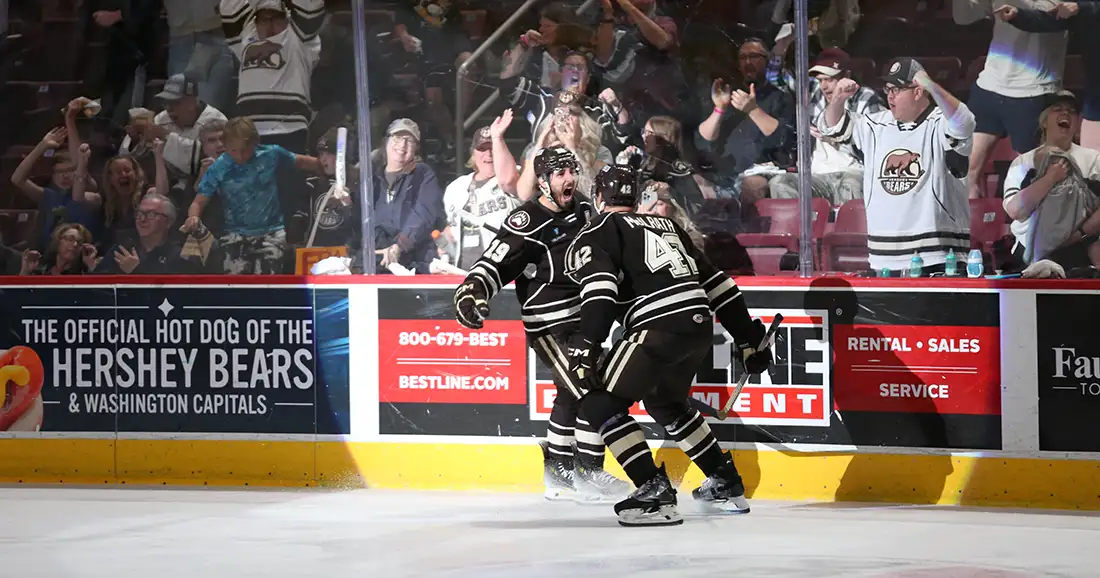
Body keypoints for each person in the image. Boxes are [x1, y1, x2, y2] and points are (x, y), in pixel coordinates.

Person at [562, 164, 773, 526]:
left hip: (655, 325)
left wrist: (586, 344)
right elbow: (720, 286)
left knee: (596, 399)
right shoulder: (669, 226)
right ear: (635, 197)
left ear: (598, 198)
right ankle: (724, 482)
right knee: (667, 404)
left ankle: (653, 491)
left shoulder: (599, 227)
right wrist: (749, 339)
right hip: (697, 326)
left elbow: (600, 290)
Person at [452, 146, 631, 503]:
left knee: (571, 392)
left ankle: (558, 471)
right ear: (545, 181)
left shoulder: (583, 207)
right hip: (549, 323)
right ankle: (588, 470)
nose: (569, 179)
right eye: (560, 173)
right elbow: (495, 262)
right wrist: (472, 290)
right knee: (587, 385)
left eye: (571, 171)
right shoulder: (527, 219)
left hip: (585, 317)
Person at [822, 57, 975, 275]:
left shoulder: (940, 122)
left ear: (918, 91)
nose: (890, 96)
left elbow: (965, 121)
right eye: (888, 89)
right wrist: (837, 99)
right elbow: (832, 127)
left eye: (897, 89)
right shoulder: (875, 124)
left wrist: (931, 84)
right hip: (883, 257)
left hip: (938, 257)